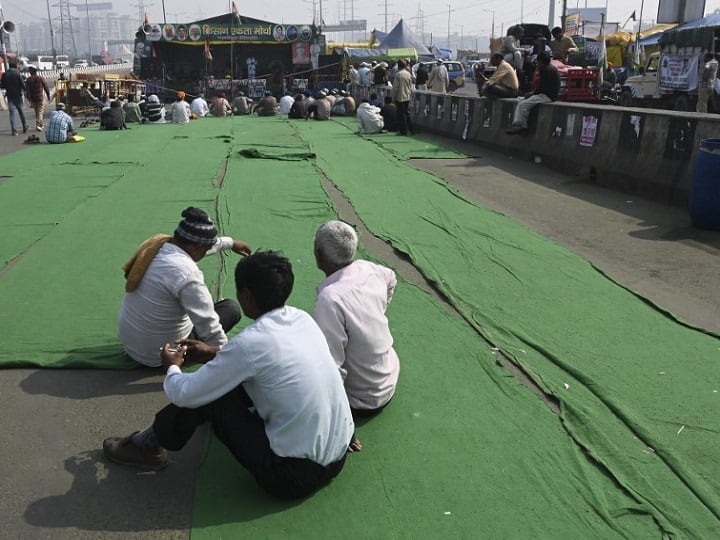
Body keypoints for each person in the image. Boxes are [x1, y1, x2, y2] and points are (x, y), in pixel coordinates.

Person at [104, 251, 357, 499]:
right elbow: (274, 361)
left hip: (288, 477)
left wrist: (172, 366)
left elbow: (184, 394)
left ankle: (146, 447)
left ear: (246, 296)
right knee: (243, 382)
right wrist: (215, 353)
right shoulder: (302, 319)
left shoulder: (250, 344)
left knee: (212, 398)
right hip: (337, 457)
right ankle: (152, 441)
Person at [118, 207, 252, 367]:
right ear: (197, 248)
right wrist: (227, 357)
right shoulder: (187, 273)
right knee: (231, 309)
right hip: (163, 356)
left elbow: (199, 246)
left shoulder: (155, 248)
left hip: (133, 348)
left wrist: (230, 243)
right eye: (205, 249)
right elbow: (208, 323)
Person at [313, 221, 399, 416]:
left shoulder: (330, 300)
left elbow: (331, 365)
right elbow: (391, 278)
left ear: (319, 255)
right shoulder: (369, 269)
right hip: (388, 377)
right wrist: (376, 311)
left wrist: (338, 417)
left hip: (362, 398)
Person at [506, 53, 560, 135]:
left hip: (547, 96)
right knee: (520, 101)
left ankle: (521, 125)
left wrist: (532, 94)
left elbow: (543, 88)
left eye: (538, 62)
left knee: (523, 104)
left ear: (541, 61)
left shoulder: (548, 70)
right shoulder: (548, 68)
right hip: (543, 94)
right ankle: (517, 123)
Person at [0, 62, 28, 136]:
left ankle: (14, 131)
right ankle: (25, 127)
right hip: (18, 96)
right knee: (21, 112)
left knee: (12, 114)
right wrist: (25, 91)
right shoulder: (17, 74)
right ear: (15, 67)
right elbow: (23, 85)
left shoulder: (5, 74)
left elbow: (2, 86)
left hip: (10, 96)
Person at [391, 58, 414, 136]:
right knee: (407, 113)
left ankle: (403, 131)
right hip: (407, 96)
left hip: (400, 96)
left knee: (401, 114)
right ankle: (411, 129)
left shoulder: (398, 74)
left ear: (398, 65)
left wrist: (393, 98)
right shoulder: (408, 74)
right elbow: (411, 87)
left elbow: (395, 88)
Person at [25, 67, 51, 132]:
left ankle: (40, 125)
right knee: (40, 112)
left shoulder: (28, 80)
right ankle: (39, 125)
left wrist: (28, 99)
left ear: (31, 72)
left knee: (37, 112)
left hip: (33, 99)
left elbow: (27, 90)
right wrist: (48, 96)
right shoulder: (40, 78)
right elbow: (46, 87)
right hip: (40, 98)